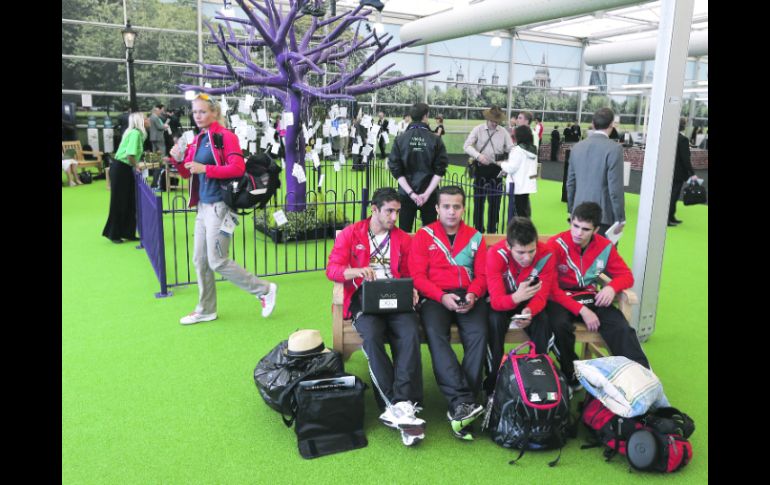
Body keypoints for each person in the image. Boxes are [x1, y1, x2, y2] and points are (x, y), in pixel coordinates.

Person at [326, 187, 426, 447]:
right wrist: (356, 270)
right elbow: (332, 270)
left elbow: (409, 272)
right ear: (374, 209)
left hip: (395, 296)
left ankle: (401, 404)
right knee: (371, 336)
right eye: (389, 211)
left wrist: (412, 288)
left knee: (410, 332)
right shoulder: (351, 234)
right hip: (364, 297)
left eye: (397, 211)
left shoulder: (403, 238)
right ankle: (397, 406)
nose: (394, 217)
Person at [170, 93, 277, 325]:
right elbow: (188, 172)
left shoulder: (225, 136)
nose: (198, 116)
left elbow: (237, 169)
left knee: (217, 260)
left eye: (203, 111)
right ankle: (206, 309)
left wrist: (205, 168)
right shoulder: (198, 138)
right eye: (195, 112)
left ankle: (265, 290)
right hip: (203, 207)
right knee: (200, 260)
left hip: (221, 206)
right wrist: (177, 160)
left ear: (214, 112)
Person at [409, 186, 488, 441]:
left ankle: (462, 405)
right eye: (446, 206)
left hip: (468, 296)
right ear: (437, 209)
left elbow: (484, 275)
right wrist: (441, 296)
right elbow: (417, 277)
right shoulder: (424, 235)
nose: (451, 212)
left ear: (463, 208)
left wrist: (474, 294)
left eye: (456, 206)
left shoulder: (476, 237)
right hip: (435, 297)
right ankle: (462, 402)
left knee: (478, 334)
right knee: (434, 333)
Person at [545, 202, 650, 389]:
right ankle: (571, 375)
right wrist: (583, 311)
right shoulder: (555, 244)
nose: (578, 233)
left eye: (585, 229)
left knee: (621, 328)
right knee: (559, 325)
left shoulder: (605, 246)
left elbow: (626, 276)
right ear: (570, 222)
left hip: (591, 296)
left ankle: (641, 378)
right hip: (560, 298)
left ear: (596, 229)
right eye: (575, 225)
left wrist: (611, 288)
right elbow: (551, 288)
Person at [483, 217, 554, 395]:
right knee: (494, 320)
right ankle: (493, 380)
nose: (527, 257)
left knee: (543, 320)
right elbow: (497, 301)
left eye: (531, 250)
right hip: (503, 301)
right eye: (521, 252)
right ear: (508, 247)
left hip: (528, 302)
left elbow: (542, 296)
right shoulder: (495, 254)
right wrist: (516, 297)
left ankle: (537, 378)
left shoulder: (546, 255)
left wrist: (529, 311)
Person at [387, 102, 448, 232]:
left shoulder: (400, 139)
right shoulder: (435, 139)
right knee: (430, 234)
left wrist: (411, 193)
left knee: (404, 232)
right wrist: (426, 194)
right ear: (425, 116)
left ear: (411, 116)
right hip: (429, 193)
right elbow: (440, 168)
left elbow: (395, 169)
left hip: (406, 194)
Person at [566, 107, 625, 238]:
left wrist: (571, 210)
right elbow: (615, 188)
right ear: (611, 125)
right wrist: (620, 217)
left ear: (593, 123)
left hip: (578, 214)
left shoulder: (577, 147)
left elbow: (570, 183)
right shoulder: (614, 149)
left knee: (580, 255)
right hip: (603, 216)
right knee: (603, 256)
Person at [463, 106, 513, 233]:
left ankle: (492, 230)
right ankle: (478, 230)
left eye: (497, 121)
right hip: (480, 169)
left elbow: (511, 149)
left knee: (495, 203)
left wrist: (506, 162)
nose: (494, 123)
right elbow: (466, 146)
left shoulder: (503, 132)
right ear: (487, 119)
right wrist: (478, 156)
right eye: (492, 121)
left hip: (497, 170)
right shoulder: (478, 129)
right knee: (478, 202)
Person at [102, 112, 147, 243]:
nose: (148, 119)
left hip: (124, 169)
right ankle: (113, 234)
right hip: (121, 168)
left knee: (130, 201)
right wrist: (137, 166)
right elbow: (130, 155)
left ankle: (128, 232)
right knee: (119, 202)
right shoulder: (135, 133)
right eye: (145, 118)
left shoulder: (135, 133)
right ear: (140, 121)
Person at [498, 125, 538, 218]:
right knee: (523, 211)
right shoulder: (532, 149)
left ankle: (519, 231)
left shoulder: (517, 150)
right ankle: (524, 229)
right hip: (527, 185)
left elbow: (511, 168)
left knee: (517, 213)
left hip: (517, 186)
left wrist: (501, 164)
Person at [669, 117, 698, 227]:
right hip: (678, 173)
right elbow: (686, 159)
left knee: (671, 195)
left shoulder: (668, 138)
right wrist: (693, 174)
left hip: (668, 171)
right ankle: (668, 218)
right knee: (674, 195)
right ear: (683, 126)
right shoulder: (683, 140)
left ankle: (671, 216)